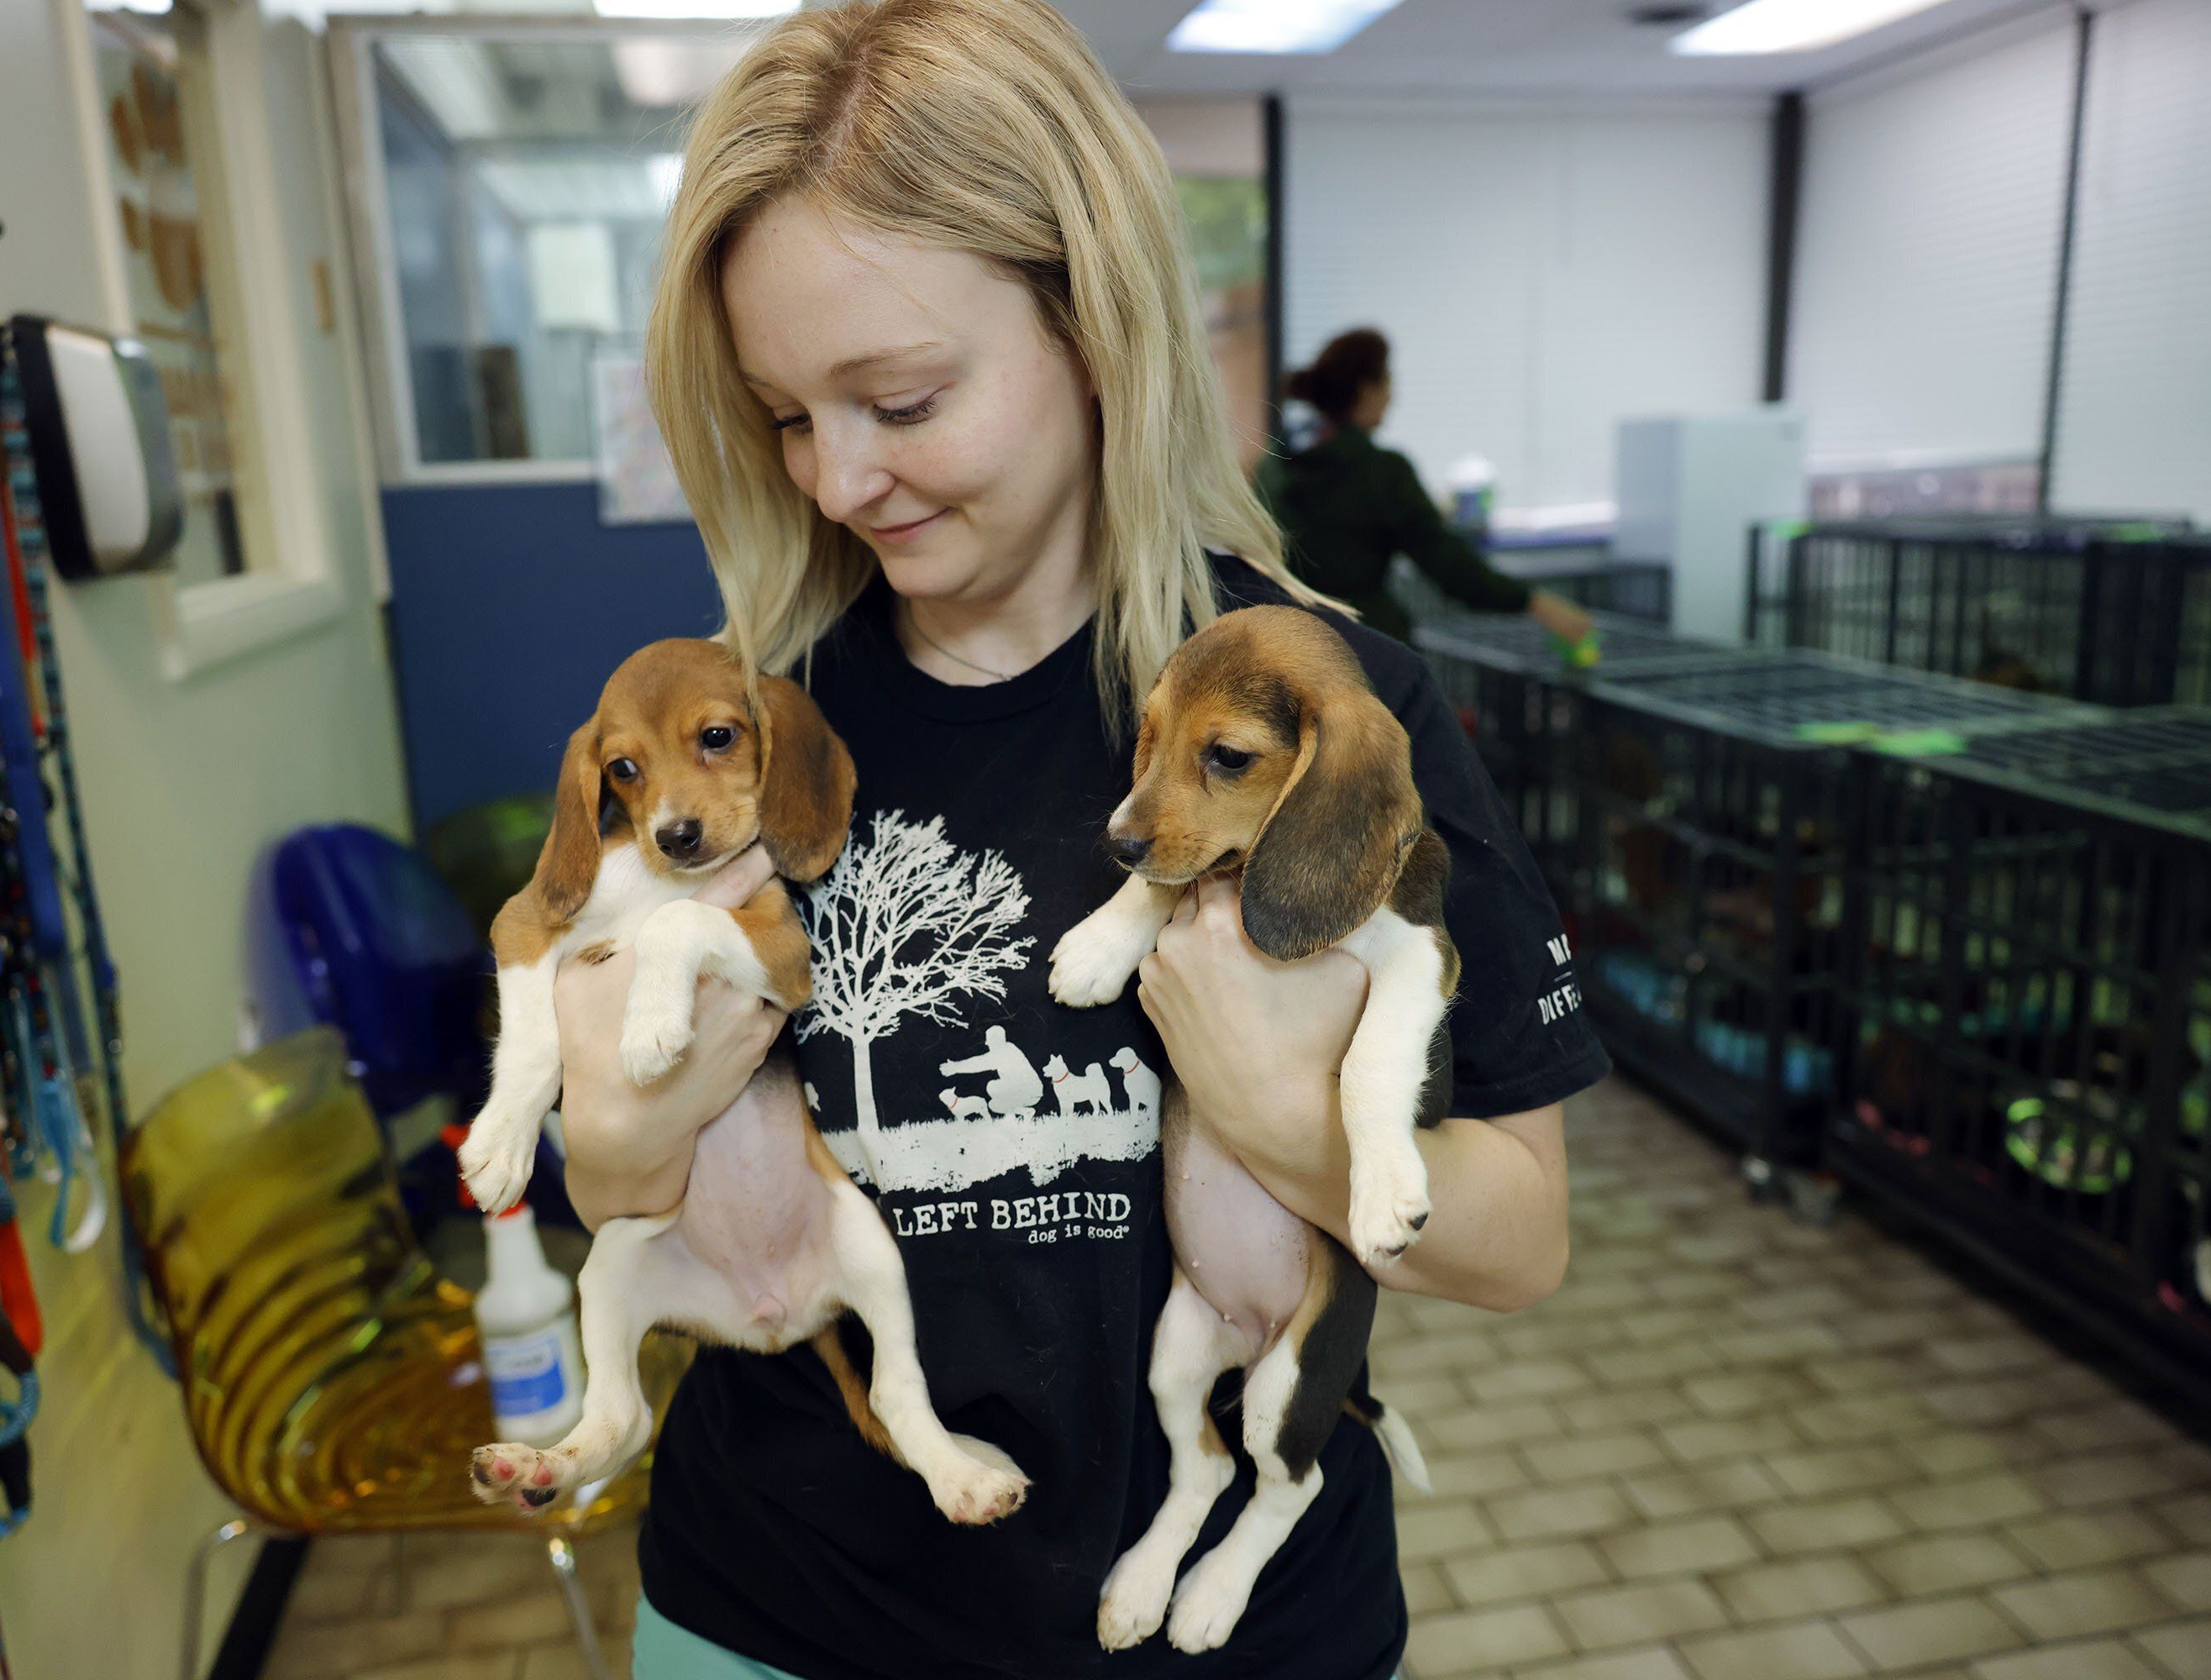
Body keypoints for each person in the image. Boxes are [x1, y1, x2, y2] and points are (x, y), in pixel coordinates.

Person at [549, 4, 1606, 1677]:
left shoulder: (1325, 713)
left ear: (1097, 325)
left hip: (1235, 1623)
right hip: (780, 1612)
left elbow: (1522, 1241)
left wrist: (1282, 1114)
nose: (838, 480)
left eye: (899, 397)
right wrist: (610, 1120)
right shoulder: (766, 741)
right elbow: (613, 1178)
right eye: (786, 417)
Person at [1263, 328, 1595, 647]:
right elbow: (1449, 564)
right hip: (1364, 654)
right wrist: (1536, 603)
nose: (1394, 395)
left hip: (1287, 650)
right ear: (1367, 389)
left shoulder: (1275, 466)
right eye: (1388, 381)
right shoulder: (1381, 471)